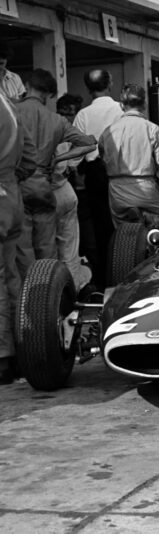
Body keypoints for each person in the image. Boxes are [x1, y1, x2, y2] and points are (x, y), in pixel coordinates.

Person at [15, 69, 96, 280]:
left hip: (19, 183)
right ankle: (50, 298)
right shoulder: (57, 120)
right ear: (50, 94)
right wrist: (60, 158)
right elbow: (89, 143)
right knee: (47, 247)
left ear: (26, 85)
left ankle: (28, 298)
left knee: (23, 250)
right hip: (45, 184)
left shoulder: (12, 112)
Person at [98, 83, 159, 233]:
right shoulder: (152, 130)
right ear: (144, 104)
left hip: (117, 191)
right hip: (145, 190)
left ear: (121, 105)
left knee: (122, 232)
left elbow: (103, 161)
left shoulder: (107, 132)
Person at [73, 69, 124, 289]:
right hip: (121, 173)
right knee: (124, 226)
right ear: (110, 83)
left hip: (94, 174)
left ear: (87, 88)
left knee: (100, 229)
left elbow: (75, 153)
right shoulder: (122, 110)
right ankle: (125, 274)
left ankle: (105, 282)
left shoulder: (83, 115)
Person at [0, 93, 37, 384]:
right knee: (11, 273)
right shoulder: (9, 104)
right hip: (10, 192)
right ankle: (19, 352)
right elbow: (30, 158)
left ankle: (3, 356)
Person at [53, 94, 93, 292]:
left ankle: (54, 293)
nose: (68, 116)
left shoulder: (49, 125)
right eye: (65, 113)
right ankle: (72, 292)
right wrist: (69, 163)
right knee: (69, 250)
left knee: (49, 249)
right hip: (63, 190)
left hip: (44, 190)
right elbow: (88, 144)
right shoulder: (68, 128)